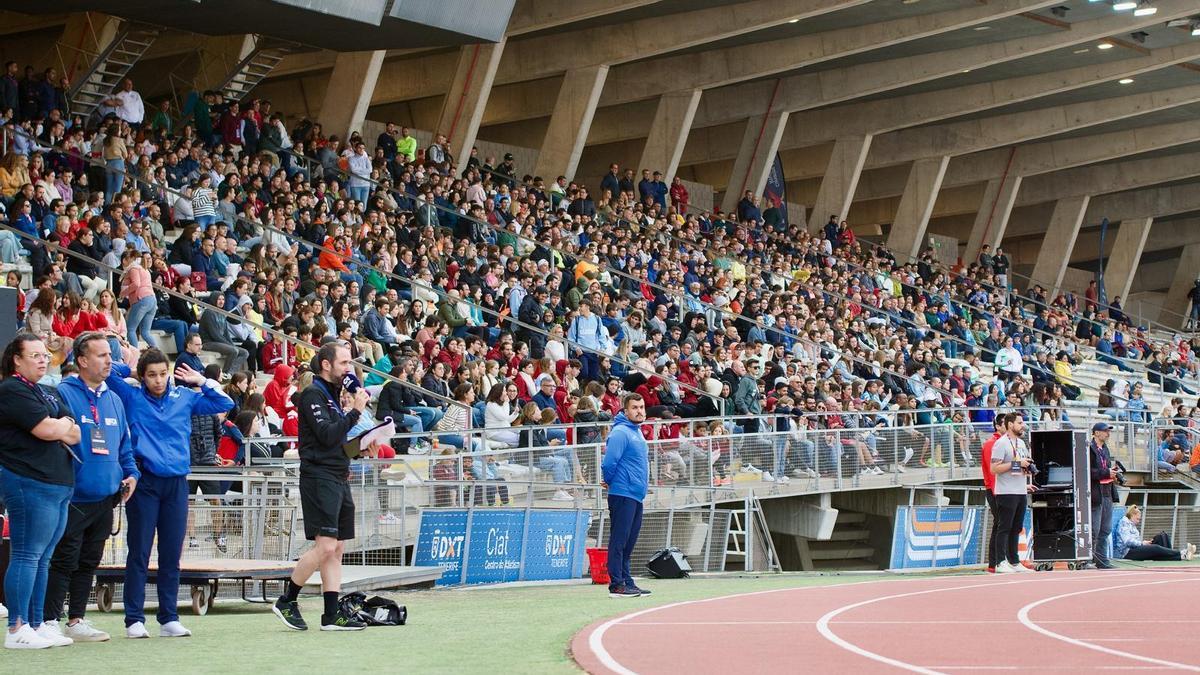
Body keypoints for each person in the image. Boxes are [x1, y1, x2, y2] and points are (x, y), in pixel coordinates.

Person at [105, 349, 234, 638]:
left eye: (163, 374)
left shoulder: (184, 397)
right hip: (145, 482)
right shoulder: (132, 397)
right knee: (139, 551)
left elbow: (225, 402)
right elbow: (108, 374)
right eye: (151, 375)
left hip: (176, 482)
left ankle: (169, 617)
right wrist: (130, 370)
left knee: (171, 553)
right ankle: (134, 619)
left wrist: (202, 380)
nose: (158, 380)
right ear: (143, 377)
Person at [44, 333, 139, 643]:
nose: (109, 361)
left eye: (110, 355)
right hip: (72, 496)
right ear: (82, 360)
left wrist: (131, 474)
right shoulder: (63, 393)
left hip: (106, 497)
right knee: (63, 560)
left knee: (88, 562)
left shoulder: (114, 399)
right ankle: (49, 619)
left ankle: (76, 619)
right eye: (101, 355)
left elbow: (124, 446)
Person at [272, 343, 372, 632]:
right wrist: (355, 412)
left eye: (350, 363)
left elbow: (336, 441)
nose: (348, 369)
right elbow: (327, 436)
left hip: (338, 475)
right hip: (319, 476)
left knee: (336, 547)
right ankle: (287, 599)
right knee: (326, 545)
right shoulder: (313, 394)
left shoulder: (331, 395)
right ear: (326, 364)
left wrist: (359, 448)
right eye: (344, 363)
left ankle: (331, 615)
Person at [0, 333, 82, 649]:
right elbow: (47, 429)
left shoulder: (45, 390)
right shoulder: (12, 389)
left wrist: (60, 426)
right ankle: (17, 628)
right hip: (29, 481)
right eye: (34, 355)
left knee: (43, 557)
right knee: (27, 554)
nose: (43, 360)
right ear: (16, 359)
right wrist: (59, 427)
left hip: (56, 483)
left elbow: (75, 430)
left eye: (44, 355)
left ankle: (36, 624)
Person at [601, 393, 650, 598]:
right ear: (625, 410)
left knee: (629, 541)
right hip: (623, 493)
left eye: (641, 407)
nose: (639, 411)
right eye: (635, 407)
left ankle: (627, 580)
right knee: (620, 540)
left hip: (636, 494)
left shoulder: (636, 432)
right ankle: (617, 585)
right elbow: (609, 462)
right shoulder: (621, 432)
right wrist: (610, 480)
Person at [989, 413, 1033, 574]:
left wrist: (1026, 468)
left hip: (1020, 490)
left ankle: (1014, 560)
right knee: (1004, 527)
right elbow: (994, 469)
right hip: (1006, 492)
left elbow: (1019, 465)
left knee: (1016, 527)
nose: (1022, 425)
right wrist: (1016, 464)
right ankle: (1000, 561)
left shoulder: (1021, 443)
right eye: (1019, 423)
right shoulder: (1001, 443)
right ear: (1010, 424)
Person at [1113, 505, 1195, 562]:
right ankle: (1182, 553)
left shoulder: (1132, 525)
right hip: (1126, 552)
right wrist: (1142, 543)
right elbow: (1127, 541)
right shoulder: (1124, 523)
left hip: (1135, 548)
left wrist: (1145, 543)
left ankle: (1181, 556)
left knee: (1162, 536)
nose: (1138, 521)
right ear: (1132, 515)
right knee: (1155, 548)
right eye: (1137, 519)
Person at [1089, 422, 1118, 570]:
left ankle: (1101, 560)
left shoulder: (1105, 449)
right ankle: (1088, 559)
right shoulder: (1089, 448)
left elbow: (1104, 468)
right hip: (1096, 492)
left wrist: (1112, 473)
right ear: (1096, 433)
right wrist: (1106, 472)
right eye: (1105, 431)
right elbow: (1087, 471)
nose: (1108, 433)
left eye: (1108, 431)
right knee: (1094, 529)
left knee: (1105, 529)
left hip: (1107, 491)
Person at [979, 414, 1006, 573]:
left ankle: (999, 561)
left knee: (1002, 524)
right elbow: (992, 471)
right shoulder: (992, 444)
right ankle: (996, 562)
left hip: (1005, 489)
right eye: (1005, 424)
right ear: (998, 426)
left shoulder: (1008, 443)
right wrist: (997, 492)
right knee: (1001, 524)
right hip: (996, 490)